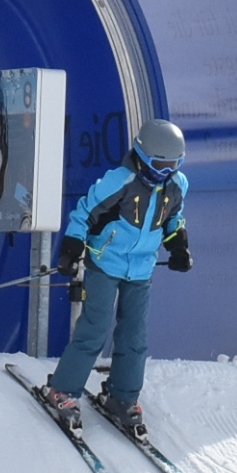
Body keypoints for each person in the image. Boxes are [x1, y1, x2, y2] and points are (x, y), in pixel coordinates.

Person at [40, 118, 193, 438]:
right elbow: (85, 213)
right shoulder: (119, 181)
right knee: (94, 330)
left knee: (134, 335)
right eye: (159, 165)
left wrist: (178, 246)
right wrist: (71, 249)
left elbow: (173, 220)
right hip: (104, 264)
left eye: (173, 165)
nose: (165, 172)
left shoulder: (177, 185)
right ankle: (63, 389)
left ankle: (122, 396)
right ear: (142, 155)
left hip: (141, 269)